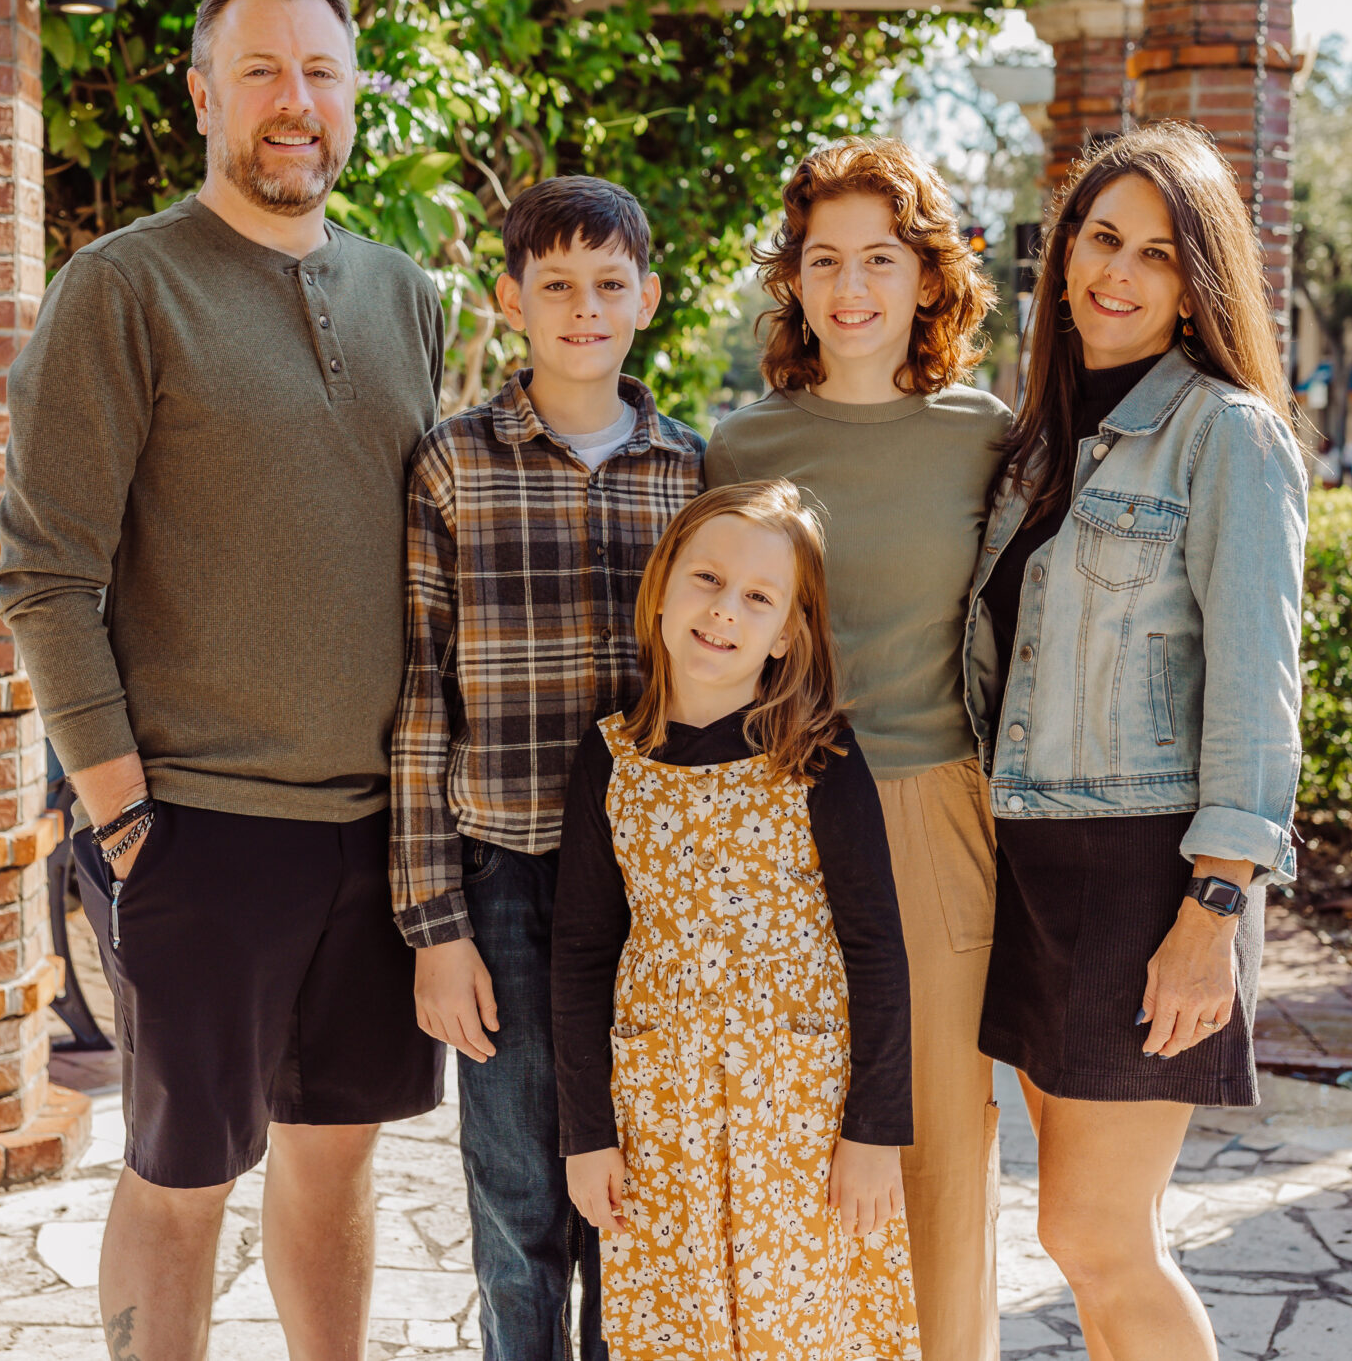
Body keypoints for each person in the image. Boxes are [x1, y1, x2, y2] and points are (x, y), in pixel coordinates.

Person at [0, 0, 446, 1361]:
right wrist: (126, 806)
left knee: (336, 1159)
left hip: (376, 835)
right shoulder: (121, 287)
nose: (293, 101)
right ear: (204, 94)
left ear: (355, 93)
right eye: (260, 70)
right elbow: (44, 571)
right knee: (182, 1176)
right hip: (198, 826)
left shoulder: (407, 296)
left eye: (319, 70)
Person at [963, 122, 1307, 1361]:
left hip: (1146, 874)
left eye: (1158, 255)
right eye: (1101, 239)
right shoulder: (1037, 444)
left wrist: (1212, 913)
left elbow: (1258, 696)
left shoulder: (1227, 436)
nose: (1119, 271)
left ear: (1194, 285)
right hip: (1032, 864)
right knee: (1082, 1237)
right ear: (1061, 261)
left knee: (1100, 1237)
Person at [702, 138, 1008, 1361]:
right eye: (823, 259)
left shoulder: (988, 438)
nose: (851, 288)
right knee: (790, 1147)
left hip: (934, 817)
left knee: (936, 1149)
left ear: (929, 278)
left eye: (881, 257)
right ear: (794, 282)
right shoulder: (740, 451)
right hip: (777, 818)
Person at [391, 175, 705, 1361]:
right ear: (509, 298)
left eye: (609, 285)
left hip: (656, 893)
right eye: (557, 285)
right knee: (519, 1201)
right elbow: (423, 695)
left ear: (648, 300)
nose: (584, 308)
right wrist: (434, 926)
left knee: (633, 1202)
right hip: (506, 881)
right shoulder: (450, 468)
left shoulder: (692, 474)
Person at [550, 480, 918, 1360]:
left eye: (758, 597)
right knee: (676, 1325)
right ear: (663, 587)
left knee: (802, 1327)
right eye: (707, 579)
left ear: (788, 631)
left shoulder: (819, 755)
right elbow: (579, 953)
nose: (724, 610)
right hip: (659, 1114)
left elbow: (875, 946)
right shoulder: (609, 759)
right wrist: (587, 1136)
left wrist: (874, 1131)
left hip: (796, 1115)